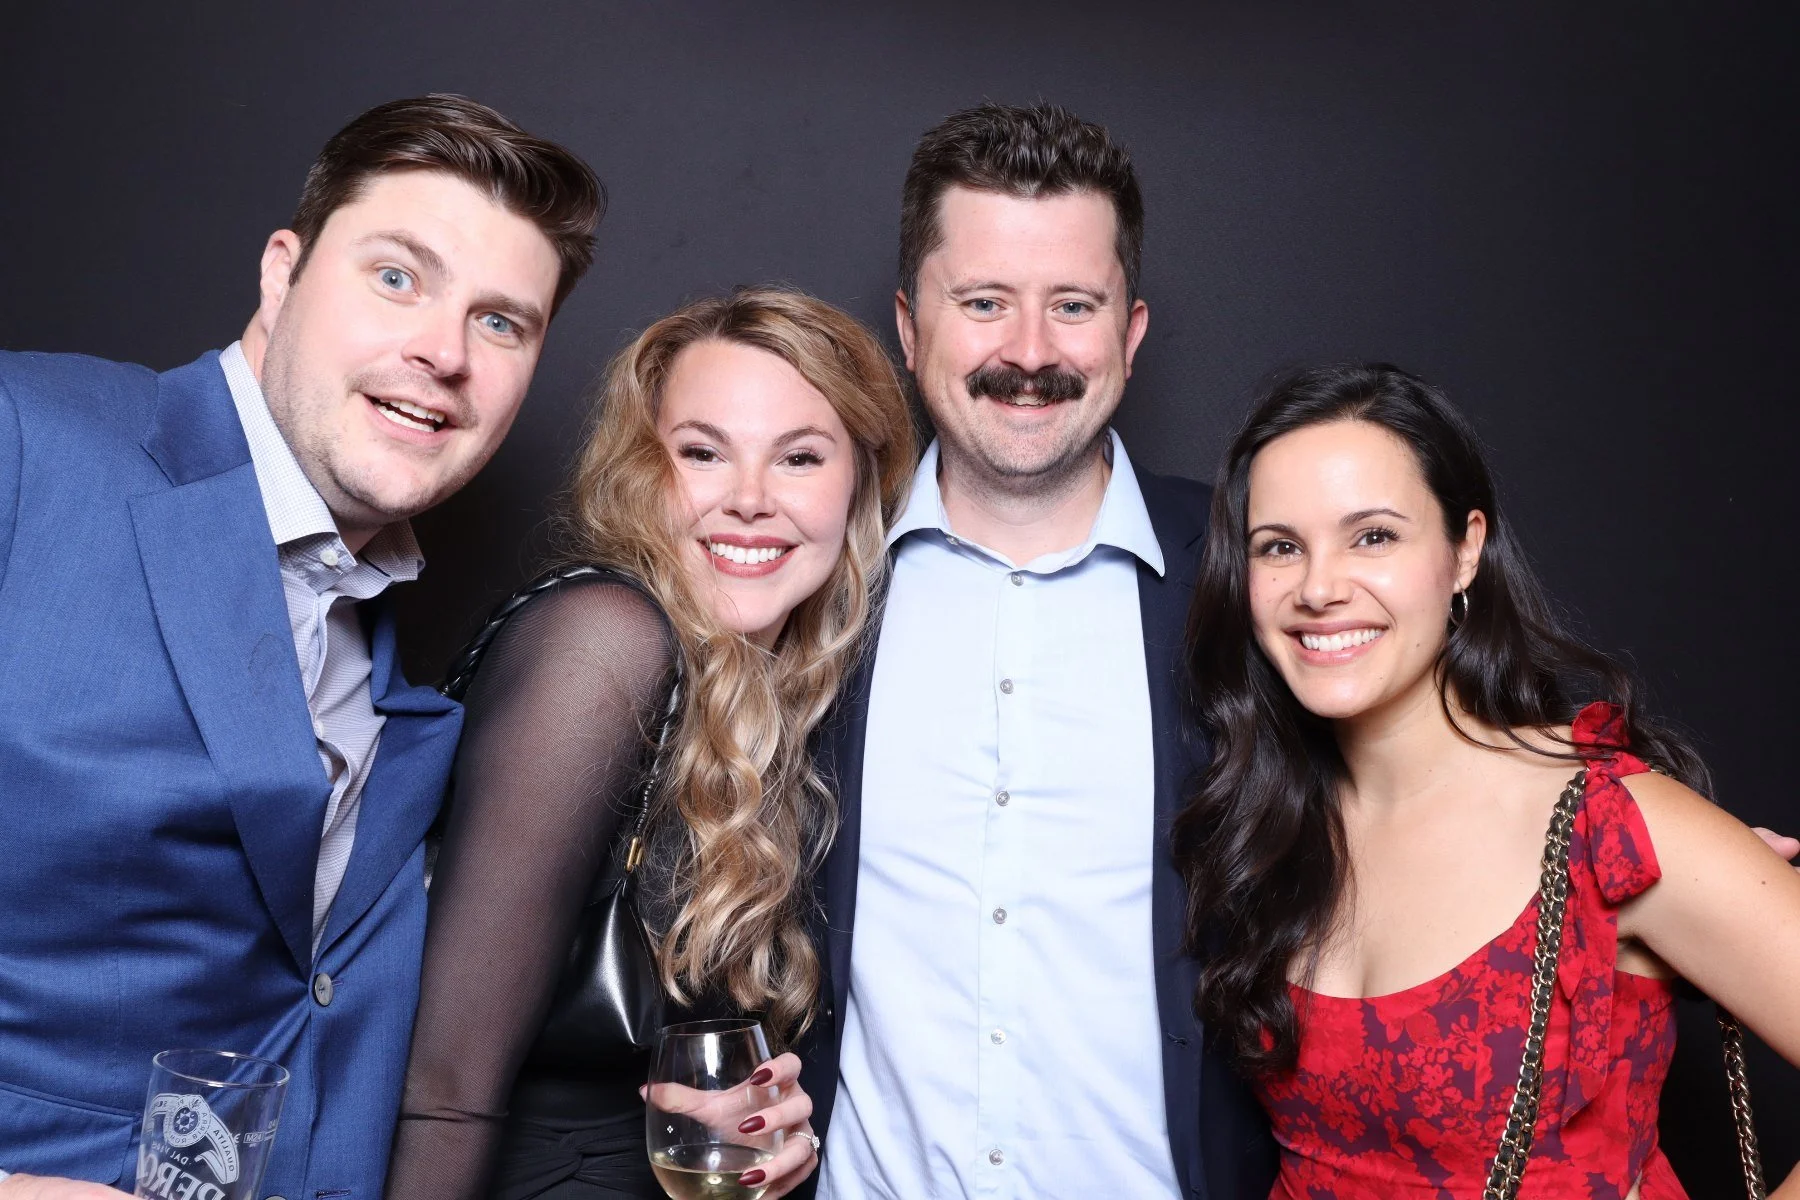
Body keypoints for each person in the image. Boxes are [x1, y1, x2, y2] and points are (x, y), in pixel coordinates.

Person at [0, 96, 601, 1199]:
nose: (443, 351)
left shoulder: (386, 658)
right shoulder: (24, 442)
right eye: (396, 278)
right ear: (282, 271)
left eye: (502, 322)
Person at [1174, 363, 1800, 1198]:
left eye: (1373, 536)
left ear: (1464, 550)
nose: (1318, 588)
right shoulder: (1270, 824)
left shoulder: (1603, 823)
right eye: (1279, 547)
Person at [804, 102, 1277, 1200]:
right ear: (911, 328)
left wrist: (1615, 842)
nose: (1029, 353)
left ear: (1132, 331)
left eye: (1073, 306)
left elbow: (1432, 766)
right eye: (983, 305)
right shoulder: (808, 576)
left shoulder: (1251, 576)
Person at [384, 287, 916, 1200]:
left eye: (799, 457)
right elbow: (442, 1084)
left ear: (860, 483)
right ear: (643, 471)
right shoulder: (606, 641)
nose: (750, 500)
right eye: (703, 453)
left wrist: (764, 1125)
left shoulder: (791, 697)